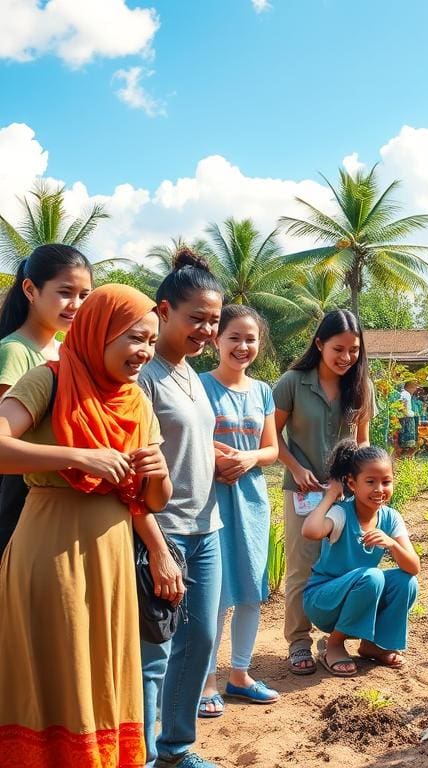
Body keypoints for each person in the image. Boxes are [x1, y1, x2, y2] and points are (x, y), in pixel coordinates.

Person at [0, 284, 176, 767]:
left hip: (113, 559)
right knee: (60, 667)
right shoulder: (48, 379)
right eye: (134, 338)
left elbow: (151, 500)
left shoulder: (135, 401)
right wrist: (78, 456)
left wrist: (158, 474)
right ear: (98, 331)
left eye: (152, 342)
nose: (144, 352)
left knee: (102, 669)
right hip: (49, 551)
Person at [138, 249, 224, 768]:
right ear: (164, 310)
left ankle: (177, 745)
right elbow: (138, 468)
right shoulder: (145, 375)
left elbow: (185, 444)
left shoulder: (193, 374)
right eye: (197, 319)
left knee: (203, 638)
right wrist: (158, 549)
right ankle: (147, 754)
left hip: (207, 524)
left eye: (213, 322)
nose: (206, 331)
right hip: (164, 531)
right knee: (158, 650)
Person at [273, 310, 373, 676]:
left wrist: (360, 484)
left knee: (346, 566)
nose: (346, 357)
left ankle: (335, 640)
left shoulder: (362, 386)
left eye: (354, 350)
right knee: (303, 566)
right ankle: (298, 641)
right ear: (319, 344)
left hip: (347, 495)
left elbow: (363, 440)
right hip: (304, 492)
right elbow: (271, 437)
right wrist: (297, 469)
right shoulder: (292, 383)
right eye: (338, 349)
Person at [199, 306, 280, 717]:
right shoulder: (198, 386)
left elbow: (272, 449)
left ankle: (241, 675)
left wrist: (248, 459)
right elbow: (185, 435)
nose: (242, 346)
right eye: (234, 337)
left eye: (250, 339)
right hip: (208, 499)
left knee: (251, 591)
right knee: (214, 595)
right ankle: (206, 680)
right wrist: (214, 457)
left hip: (251, 501)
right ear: (216, 340)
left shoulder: (263, 391)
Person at [0, 244, 92, 555]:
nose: (75, 304)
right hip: (19, 504)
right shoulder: (14, 352)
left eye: (84, 296)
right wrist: (77, 457)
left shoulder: (63, 352)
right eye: (65, 292)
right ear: (30, 289)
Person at [301, 440, 420, 676]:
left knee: (406, 581)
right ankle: (333, 645)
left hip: (361, 596)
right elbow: (310, 531)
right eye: (370, 482)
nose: (379, 489)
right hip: (324, 601)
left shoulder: (390, 518)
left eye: (386, 482)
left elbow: (414, 566)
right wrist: (330, 497)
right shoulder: (342, 513)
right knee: (373, 577)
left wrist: (392, 544)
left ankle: (374, 646)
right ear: (352, 484)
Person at [397, 379, 419, 457]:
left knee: (404, 441)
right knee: (407, 442)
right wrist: (410, 413)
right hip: (407, 419)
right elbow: (403, 407)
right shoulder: (406, 394)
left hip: (405, 418)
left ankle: (405, 457)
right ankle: (406, 457)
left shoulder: (404, 394)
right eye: (414, 387)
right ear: (409, 387)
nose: (415, 390)